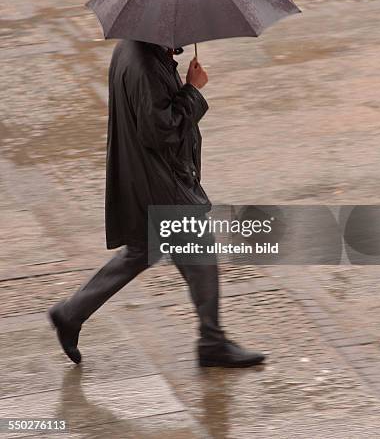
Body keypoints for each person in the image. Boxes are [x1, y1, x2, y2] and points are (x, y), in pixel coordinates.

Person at [48, 40, 265, 368]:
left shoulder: (136, 50)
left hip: (148, 179)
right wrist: (193, 90)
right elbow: (160, 132)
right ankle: (212, 341)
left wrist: (177, 72)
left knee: (143, 252)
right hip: (161, 184)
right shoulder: (145, 64)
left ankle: (70, 313)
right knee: (200, 255)